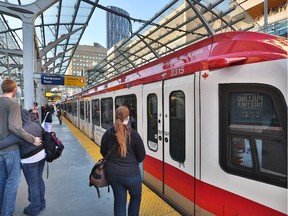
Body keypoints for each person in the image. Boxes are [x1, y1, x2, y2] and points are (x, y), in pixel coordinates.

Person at [0, 79, 42, 216]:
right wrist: (32, 139)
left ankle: (2, 207)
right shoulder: (13, 104)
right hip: (11, 149)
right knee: (13, 182)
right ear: (14, 90)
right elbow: (15, 127)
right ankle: (7, 212)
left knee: (2, 179)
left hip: (1, 150)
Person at [100, 106, 146, 216]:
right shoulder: (134, 134)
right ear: (128, 118)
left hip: (112, 174)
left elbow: (103, 152)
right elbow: (141, 156)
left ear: (115, 117)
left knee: (119, 201)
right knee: (135, 197)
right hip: (132, 175)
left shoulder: (108, 134)